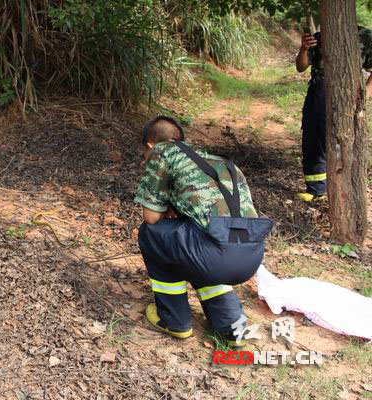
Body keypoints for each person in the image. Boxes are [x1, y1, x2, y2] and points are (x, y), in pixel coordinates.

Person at [134, 116, 272, 347]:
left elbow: (151, 217)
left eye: (144, 156)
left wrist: (165, 209)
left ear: (150, 146)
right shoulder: (211, 159)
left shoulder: (162, 152)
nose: (145, 160)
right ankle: (231, 325)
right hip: (251, 256)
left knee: (152, 234)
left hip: (214, 255)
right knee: (199, 244)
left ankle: (174, 319)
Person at [295, 26, 372, 202]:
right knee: (313, 139)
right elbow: (301, 67)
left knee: (342, 141)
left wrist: (363, 97)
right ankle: (316, 190)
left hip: (347, 94)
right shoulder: (321, 36)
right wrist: (304, 48)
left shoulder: (365, 37)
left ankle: (345, 192)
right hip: (319, 91)